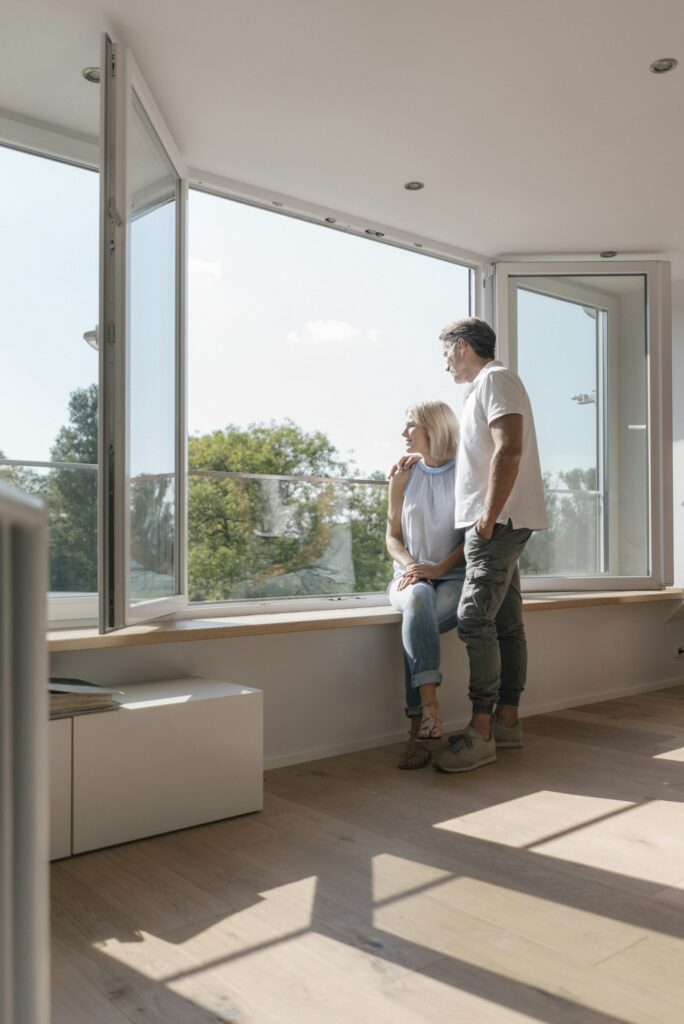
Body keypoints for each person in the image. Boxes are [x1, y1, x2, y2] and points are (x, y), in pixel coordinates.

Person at [433, 316, 548, 773]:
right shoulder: (483, 388)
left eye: (445, 354)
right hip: (499, 521)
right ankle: (506, 722)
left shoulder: (495, 379)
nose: (445, 365)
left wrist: (486, 516)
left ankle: (480, 731)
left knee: (472, 619)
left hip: (496, 523)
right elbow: (483, 452)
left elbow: (510, 447)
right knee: (506, 623)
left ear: (461, 346)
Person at [386, 400, 466, 770]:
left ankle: (416, 731)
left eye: (410, 426)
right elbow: (392, 537)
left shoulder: (466, 473)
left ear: (433, 429)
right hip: (408, 576)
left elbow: (471, 542)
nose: (404, 434)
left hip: (451, 574)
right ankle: (430, 709)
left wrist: (438, 569)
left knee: (416, 628)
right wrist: (412, 567)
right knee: (417, 603)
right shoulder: (403, 474)